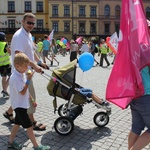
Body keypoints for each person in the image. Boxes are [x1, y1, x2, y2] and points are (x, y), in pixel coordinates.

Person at [3, 13, 47, 130]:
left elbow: (31, 53)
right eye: (29, 22)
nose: (31, 25)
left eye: (33, 23)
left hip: (27, 71)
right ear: (23, 21)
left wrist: (40, 63)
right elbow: (20, 55)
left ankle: (9, 112)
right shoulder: (19, 36)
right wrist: (35, 66)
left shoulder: (28, 34)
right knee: (29, 95)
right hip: (21, 73)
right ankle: (32, 122)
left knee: (20, 96)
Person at [8, 52, 50, 150]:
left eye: (28, 66)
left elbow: (25, 91)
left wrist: (31, 100)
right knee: (29, 127)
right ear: (17, 66)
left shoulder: (21, 73)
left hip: (21, 105)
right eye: (25, 66)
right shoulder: (15, 78)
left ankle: (10, 142)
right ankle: (36, 146)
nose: (27, 68)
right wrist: (28, 80)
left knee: (17, 124)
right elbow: (22, 92)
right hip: (19, 106)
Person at [128, 66, 150, 150]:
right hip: (147, 95)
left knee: (136, 127)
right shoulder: (147, 54)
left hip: (134, 95)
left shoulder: (133, 53)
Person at [0, 32, 11, 99]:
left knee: (3, 77)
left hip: (0, 65)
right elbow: (10, 52)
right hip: (6, 64)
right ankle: (4, 90)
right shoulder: (4, 44)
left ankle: (5, 91)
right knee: (11, 76)